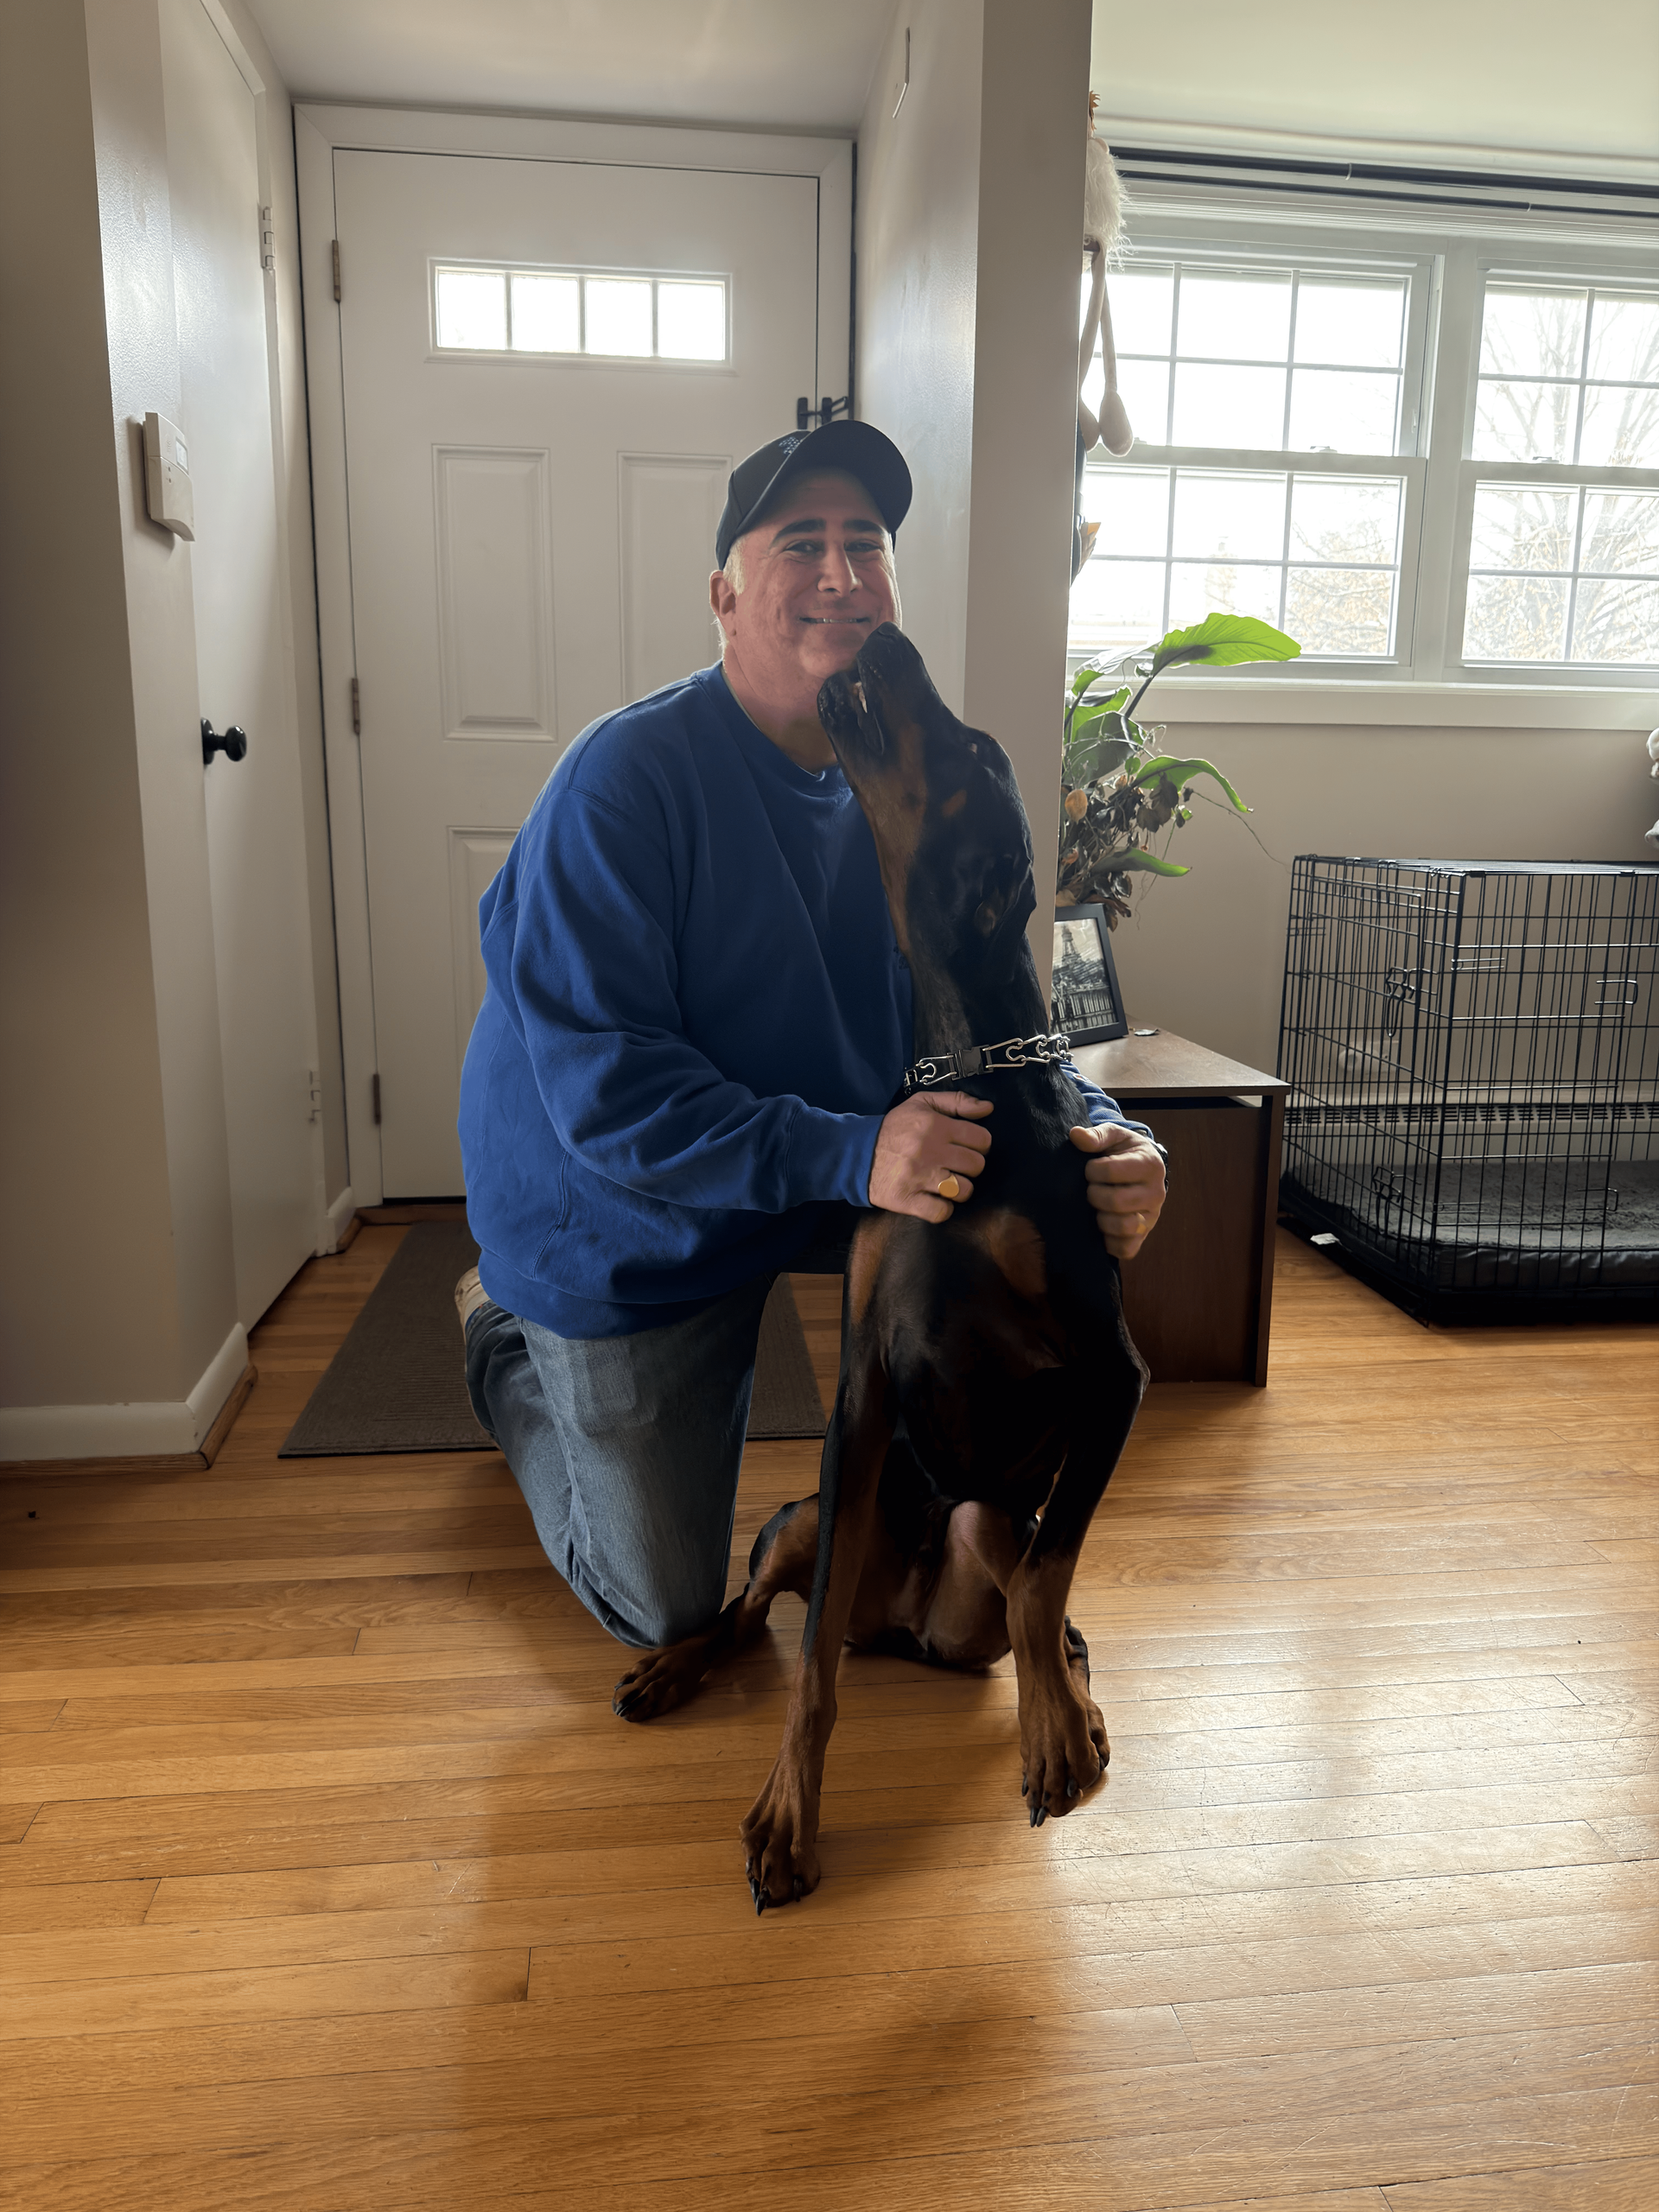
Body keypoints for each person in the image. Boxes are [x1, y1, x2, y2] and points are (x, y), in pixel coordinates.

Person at [456, 421, 1167, 1653]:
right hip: (625, 1216)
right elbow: (611, 1096)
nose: (842, 574)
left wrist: (1109, 1134)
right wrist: (855, 1158)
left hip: (823, 1163)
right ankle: (501, 1346)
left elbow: (991, 1008)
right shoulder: (622, 784)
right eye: (803, 545)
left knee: (997, 1253)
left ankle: (957, 1553)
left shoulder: (892, 786)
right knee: (665, 1608)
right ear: (726, 597)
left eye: (867, 545)